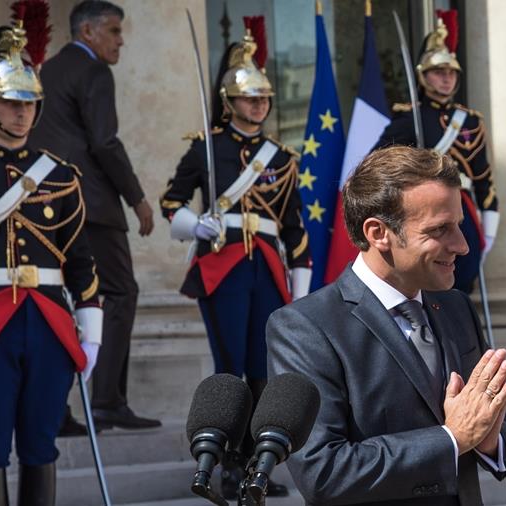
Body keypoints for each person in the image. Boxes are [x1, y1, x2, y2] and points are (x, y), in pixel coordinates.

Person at [266, 146, 506, 505]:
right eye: (440, 230)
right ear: (378, 233)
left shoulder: (457, 307)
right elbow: (322, 471)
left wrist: (490, 440)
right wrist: (452, 439)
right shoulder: (305, 327)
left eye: (459, 225)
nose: (462, 246)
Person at [0, 20, 102, 505]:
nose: (22, 113)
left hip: (51, 322)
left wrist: (92, 332)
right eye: (11, 102)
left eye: (29, 103)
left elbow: (80, 260)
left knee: (41, 443)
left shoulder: (61, 175)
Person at [159, 24, 309, 499]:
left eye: (264, 98)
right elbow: (171, 202)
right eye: (249, 98)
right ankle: (226, 466)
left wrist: (301, 291)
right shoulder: (207, 147)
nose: (259, 105)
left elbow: (293, 227)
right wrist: (194, 224)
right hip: (222, 263)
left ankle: (259, 467)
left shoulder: (281, 158)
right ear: (229, 101)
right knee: (230, 368)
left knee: (264, 369)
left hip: (266, 267)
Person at [30, 0, 159, 432]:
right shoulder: (95, 72)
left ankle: (57, 408)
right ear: (87, 32)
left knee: (62, 300)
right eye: (114, 30)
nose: (121, 41)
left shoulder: (46, 71)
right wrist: (137, 198)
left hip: (47, 207)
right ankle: (106, 401)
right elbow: (105, 142)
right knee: (120, 292)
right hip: (93, 206)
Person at [372, 9, 498, 294]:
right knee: (428, 276)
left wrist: (489, 223)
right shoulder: (409, 118)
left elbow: (483, 176)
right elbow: (379, 164)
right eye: (439, 73)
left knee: (463, 279)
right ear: (423, 76)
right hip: (425, 207)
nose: (446, 78)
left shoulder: (470, 121)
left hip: (465, 206)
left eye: (451, 73)